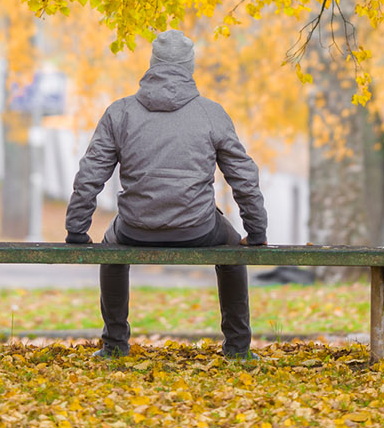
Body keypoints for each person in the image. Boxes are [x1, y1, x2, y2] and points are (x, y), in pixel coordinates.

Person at [64, 29, 268, 359]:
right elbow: (244, 176)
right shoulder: (211, 113)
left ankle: (115, 344)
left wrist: (76, 229)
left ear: (152, 64)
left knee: (110, 248)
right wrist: (256, 232)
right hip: (198, 228)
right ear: (190, 67)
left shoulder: (121, 112)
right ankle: (237, 349)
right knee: (233, 252)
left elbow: (91, 174)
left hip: (135, 229)